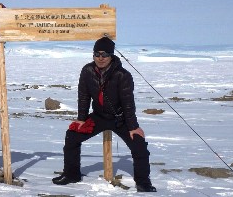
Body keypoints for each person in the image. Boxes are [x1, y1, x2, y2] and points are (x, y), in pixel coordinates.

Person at [52, 37, 156, 192]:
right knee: (72, 135)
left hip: (119, 119)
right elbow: (84, 96)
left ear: (111, 55)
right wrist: (81, 119)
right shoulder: (87, 71)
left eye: (105, 54)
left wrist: (133, 127)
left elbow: (128, 103)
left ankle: (143, 182)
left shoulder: (123, 75)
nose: (100, 58)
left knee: (139, 145)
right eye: (97, 54)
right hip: (99, 116)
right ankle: (71, 174)